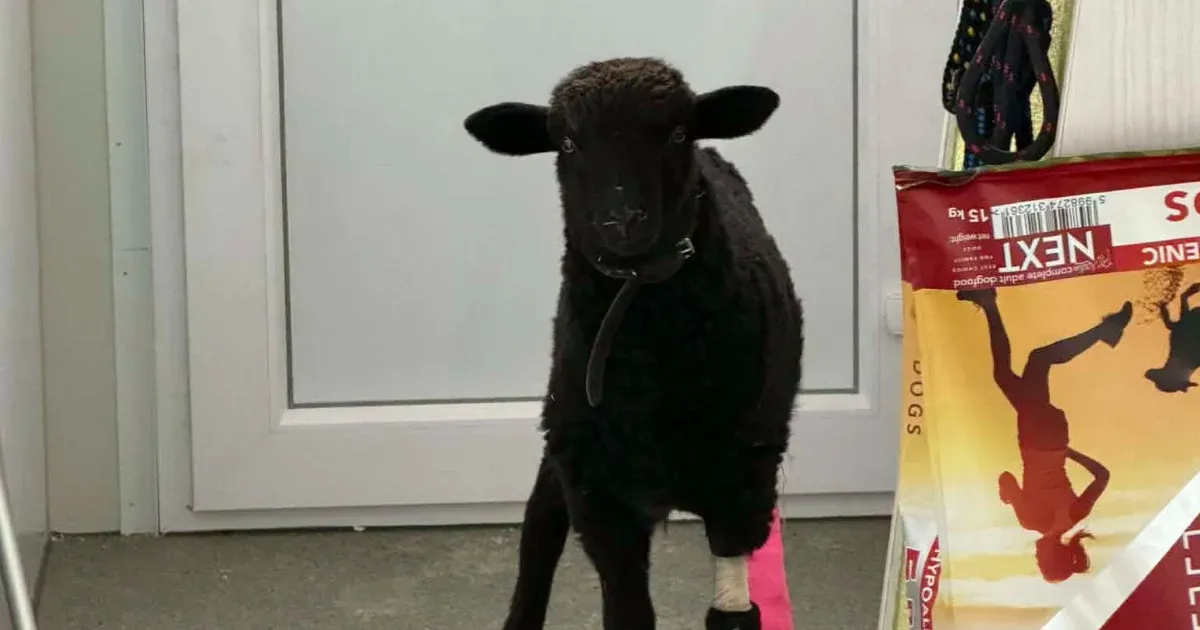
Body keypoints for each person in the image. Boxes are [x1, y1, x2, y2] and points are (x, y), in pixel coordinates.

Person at [957, 288, 1132, 583]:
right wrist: (1007, 495)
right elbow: (1006, 479)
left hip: (1055, 436)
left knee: (1004, 375)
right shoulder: (1030, 522)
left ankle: (988, 303)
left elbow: (1102, 475)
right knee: (1039, 359)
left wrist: (1068, 452)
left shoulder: (1076, 515)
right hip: (1034, 438)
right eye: (1041, 562)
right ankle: (1104, 331)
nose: (1036, 558)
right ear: (1052, 556)